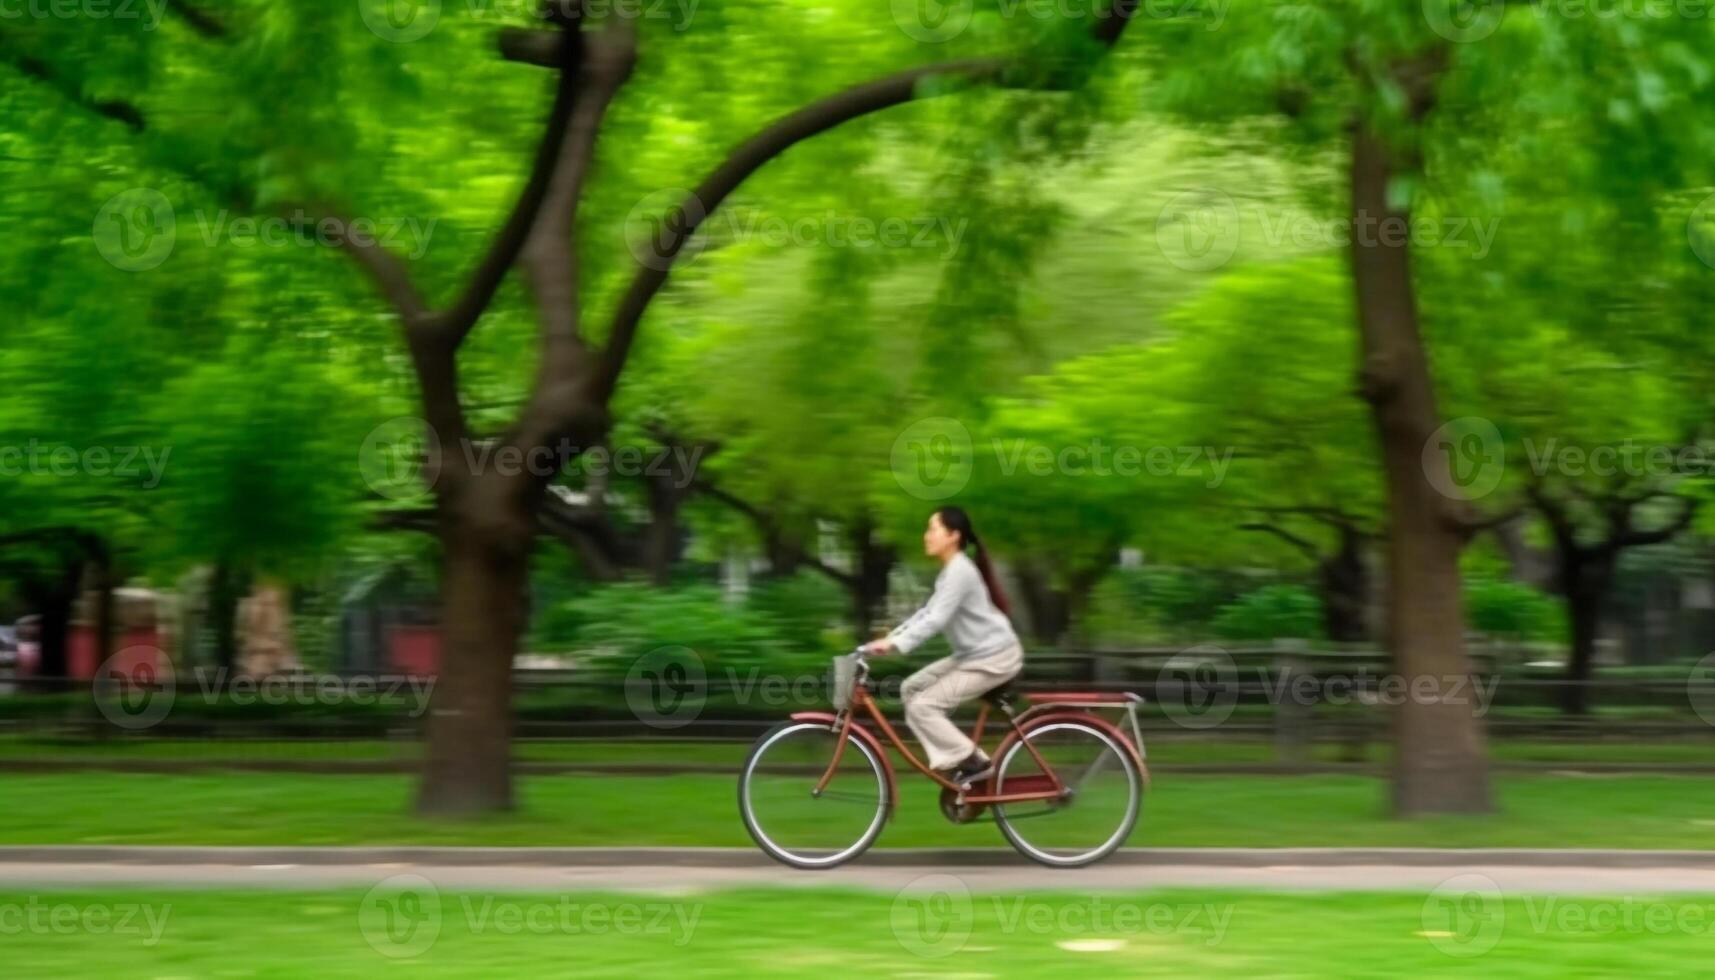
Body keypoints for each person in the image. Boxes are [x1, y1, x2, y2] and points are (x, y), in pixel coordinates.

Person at [863, 506, 1022, 785]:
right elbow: (926, 613)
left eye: (933, 529)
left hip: (994, 657)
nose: (926, 536)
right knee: (910, 689)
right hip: (973, 655)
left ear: (953, 536)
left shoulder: (960, 571)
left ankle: (974, 761)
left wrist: (895, 645)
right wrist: (890, 640)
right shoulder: (950, 573)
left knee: (922, 707)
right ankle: (957, 763)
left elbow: (935, 620)